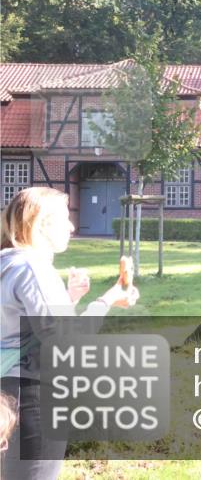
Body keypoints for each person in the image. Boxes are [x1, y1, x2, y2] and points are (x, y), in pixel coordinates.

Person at [1, 187, 139, 480]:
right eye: (64, 218)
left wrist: (69, 298)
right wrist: (107, 300)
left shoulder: (7, 263)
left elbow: (21, 327)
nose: (72, 226)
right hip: (31, 398)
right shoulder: (32, 266)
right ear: (40, 223)